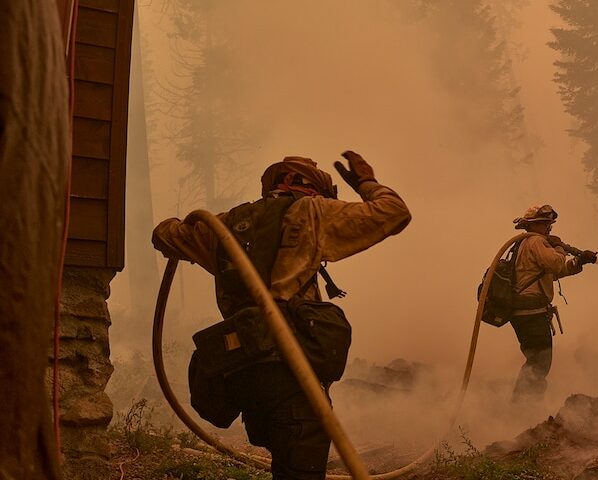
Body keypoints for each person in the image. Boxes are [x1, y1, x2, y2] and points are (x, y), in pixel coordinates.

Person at [151, 151, 411, 479]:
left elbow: (163, 235)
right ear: (294, 183)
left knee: (282, 458)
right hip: (293, 372)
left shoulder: (223, 226)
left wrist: (185, 225)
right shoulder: (312, 211)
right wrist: (367, 183)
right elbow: (394, 213)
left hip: (242, 373)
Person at [509, 205, 597, 401]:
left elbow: (554, 272)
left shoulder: (529, 244)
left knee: (537, 362)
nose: (550, 228)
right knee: (539, 362)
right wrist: (558, 247)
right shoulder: (535, 242)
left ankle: (523, 404)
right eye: (546, 224)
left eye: (550, 224)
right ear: (535, 225)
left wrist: (579, 262)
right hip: (531, 313)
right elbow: (555, 263)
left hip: (529, 313)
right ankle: (524, 407)